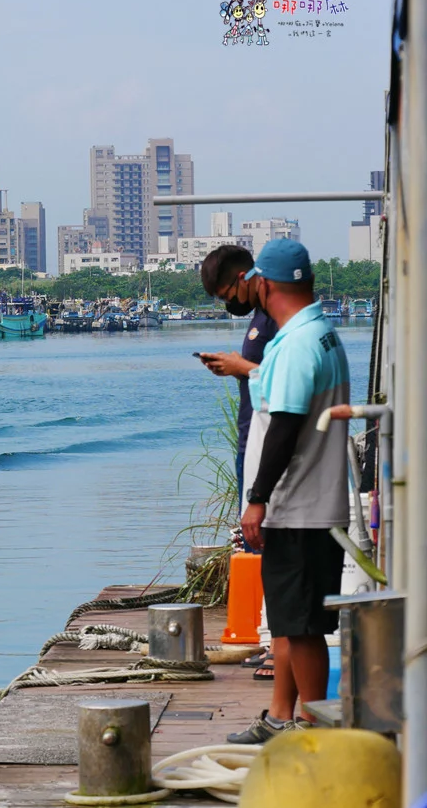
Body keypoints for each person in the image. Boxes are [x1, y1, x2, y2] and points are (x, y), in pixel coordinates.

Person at [226, 239, 351, 744]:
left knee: (301, 628)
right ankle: (286, 719)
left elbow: (284, 427)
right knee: (294, 623)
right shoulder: (319, 334)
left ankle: (310, 730)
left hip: (299, 505)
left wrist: (256, 499)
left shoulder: (298, 342)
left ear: (265, 283)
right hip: (313, 501)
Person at [198, 246, 280, 680]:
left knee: (268, 538)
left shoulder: (277, 320)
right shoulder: (258, 318)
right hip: (251, 436)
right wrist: (236, 368)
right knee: (255, 538)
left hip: (269, 440)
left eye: (227, 293)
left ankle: (276, 644)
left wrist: (240, 366)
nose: (227, 302)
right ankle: (270, 637)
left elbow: (287, 381)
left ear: (245, 277)